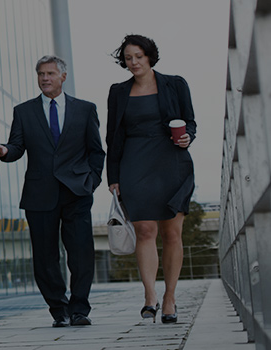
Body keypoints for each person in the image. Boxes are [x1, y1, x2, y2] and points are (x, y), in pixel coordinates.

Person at [0, 55, 105, 327]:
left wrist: (91, 181)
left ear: (63, 76)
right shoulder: (23, 111)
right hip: (40, 193)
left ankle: (79, 310)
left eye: (50, 73)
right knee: (45, 257)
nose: (45, 78)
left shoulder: (85, 109)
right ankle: (59, 310)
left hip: (77, 191)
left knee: (81, 253)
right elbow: (16, 148)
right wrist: (3, 151)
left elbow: (96, 151)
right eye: (41, 74)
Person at [106, 34, 196, 324]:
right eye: (128, 57)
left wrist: (188, 138)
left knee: (172, 233)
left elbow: (190, 122)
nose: (133, 62)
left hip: (172, 162)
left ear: (149, 57)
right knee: (145, 230)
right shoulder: (118, 91)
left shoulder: (175, 84)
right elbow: (112, 137)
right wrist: (113, 176)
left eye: (138, 57)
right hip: (134, 163)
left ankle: (170, 298)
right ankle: (150, 295)